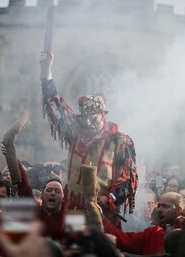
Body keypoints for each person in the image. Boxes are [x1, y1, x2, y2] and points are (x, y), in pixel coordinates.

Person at [39, 52, 138, 224]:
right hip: (74, 210)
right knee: (74, 247)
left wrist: (110, 198)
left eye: (93, 117)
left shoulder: (121, 141)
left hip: (103, 211)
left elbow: (129, 178)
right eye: (84, 117)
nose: (88, 122)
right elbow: (55, 105)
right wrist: (46, 71)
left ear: (103, 115)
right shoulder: (75, 131)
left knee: (102, 247)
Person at [103, 191, 185, 255]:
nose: (159, 210)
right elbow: (123, 239)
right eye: (159, 206)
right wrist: (100, 217)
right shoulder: (153, 233)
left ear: (179, 210)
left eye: (165, 206)